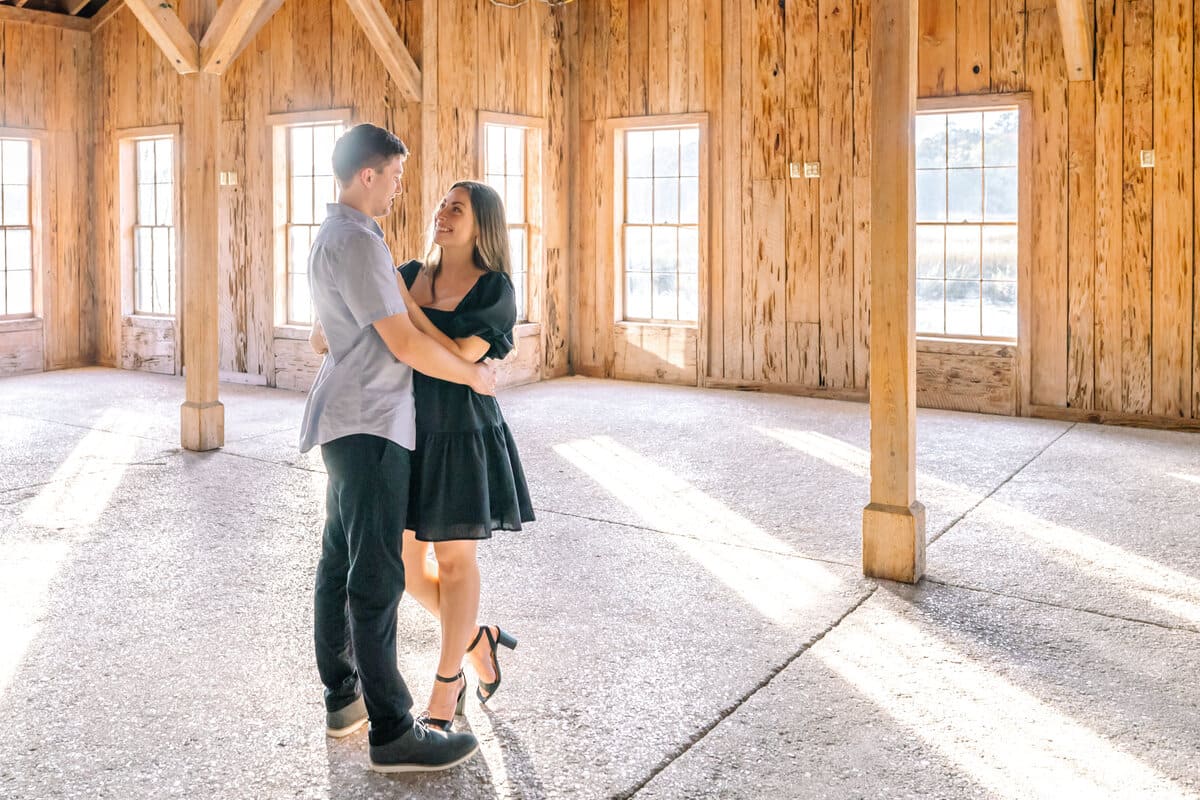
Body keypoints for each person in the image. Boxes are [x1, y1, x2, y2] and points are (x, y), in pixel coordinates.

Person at [298, 124, 493, 774]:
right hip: (371, 421)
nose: (403, 189)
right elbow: (403, 341)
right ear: (369, 175)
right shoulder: (357, 241)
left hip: (348, 418)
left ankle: (343, 701)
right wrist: (471, 374)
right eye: (397, 175)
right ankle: (391, 730)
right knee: (376, 577)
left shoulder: (341, 237)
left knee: (338, 561)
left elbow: (386, 324)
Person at [311, 180, 534, 732]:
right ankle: (478, 639)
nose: (443, 214)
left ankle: (446, 686)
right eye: (441, 205)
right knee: (407, 571)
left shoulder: (495, 289)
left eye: (457, 209)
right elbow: (346, 335)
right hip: (402, 430)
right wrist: (394, 301)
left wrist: (405, 306)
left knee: (456, 563)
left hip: (461, 434)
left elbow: (463, 353)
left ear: (482, 225)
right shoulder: (406, 271)